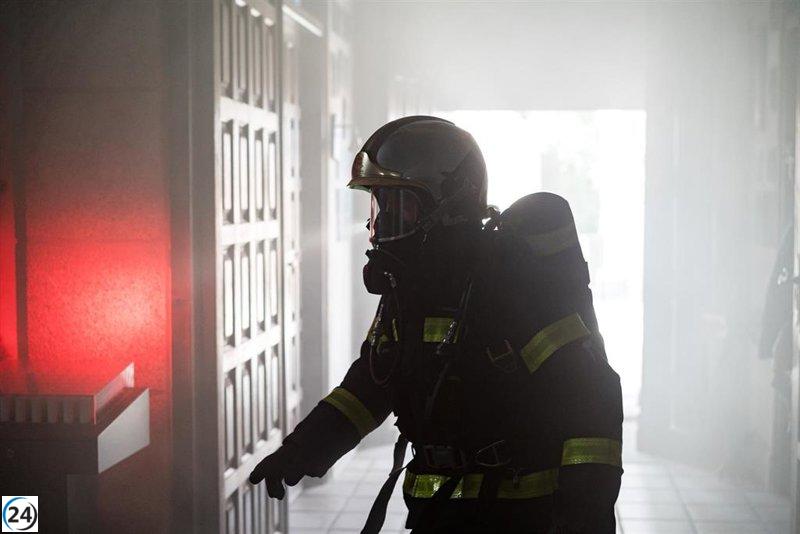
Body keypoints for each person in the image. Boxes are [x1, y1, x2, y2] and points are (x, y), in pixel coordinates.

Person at [249, 116, 623, 533]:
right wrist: (303, 449)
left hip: (520, 515)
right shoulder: (407, 290)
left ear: (449, 207)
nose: (380, 227)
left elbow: (591, 399)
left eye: (400, 208)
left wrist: (582, 514)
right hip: (438, 514)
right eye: (379, 207)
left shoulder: (511, 283)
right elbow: (370, 387)